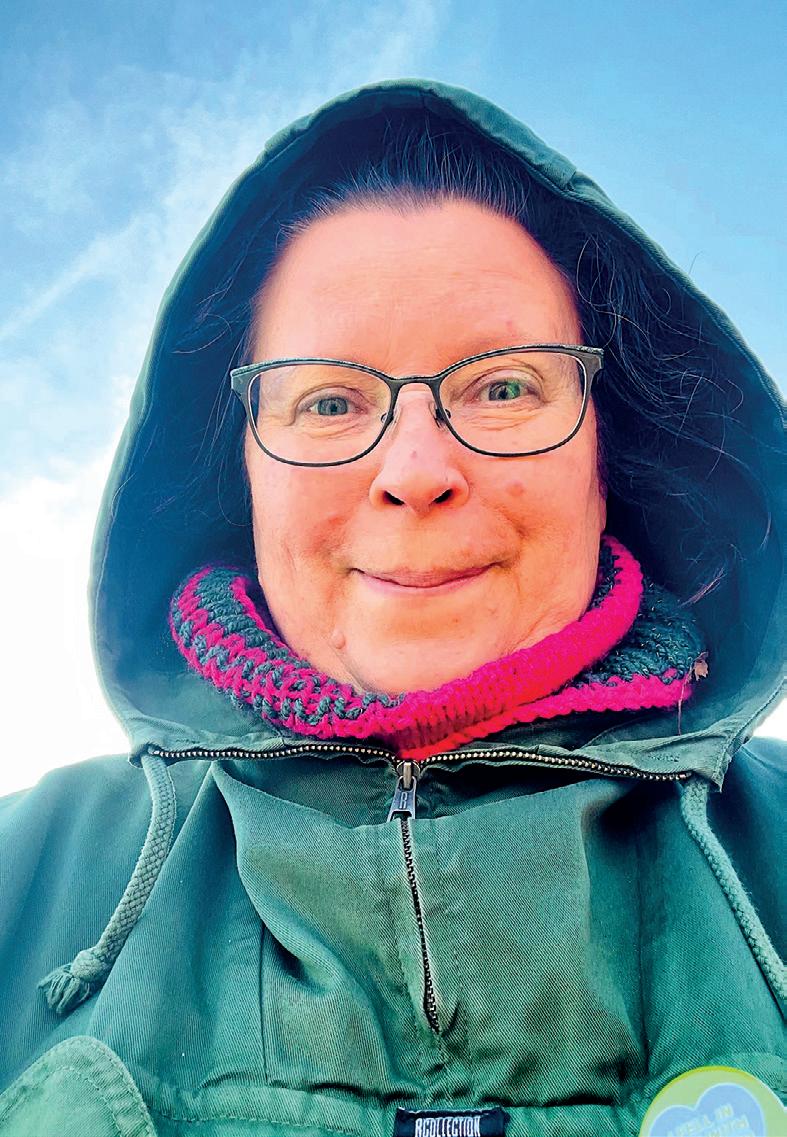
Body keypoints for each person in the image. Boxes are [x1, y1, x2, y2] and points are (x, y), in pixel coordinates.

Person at [0, 79, 784, 1137]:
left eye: (503, 387)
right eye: (329, 401)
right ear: (243, 475)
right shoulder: (26, 870)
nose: (415, 471)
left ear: (606, 458)